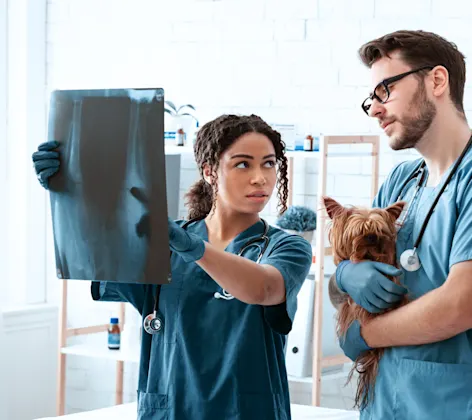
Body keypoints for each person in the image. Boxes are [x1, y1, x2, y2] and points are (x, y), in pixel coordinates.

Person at [32, 114, 313, 420]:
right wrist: (69, 193)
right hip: (170, 410)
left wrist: (191, 247)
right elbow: (94, 256)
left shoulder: (286, 246)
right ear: (209, 171)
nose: (260, 177)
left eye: (269, 163)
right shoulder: (162, 243)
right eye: (243, 164)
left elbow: (265, 287)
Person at [329, 30, 472, 419]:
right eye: (370, 100)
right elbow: (344, 283)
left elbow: (461, 304)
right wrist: (343, 276)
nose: (375, 109)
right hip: (384, 402)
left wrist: (365, 335)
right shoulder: (401, 181)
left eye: (385, 90)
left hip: (448, 403)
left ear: (437, 81)